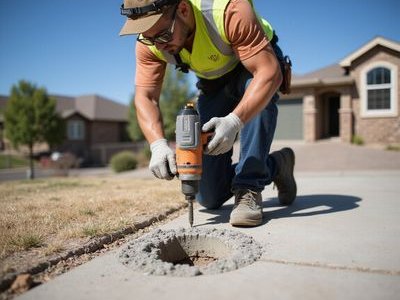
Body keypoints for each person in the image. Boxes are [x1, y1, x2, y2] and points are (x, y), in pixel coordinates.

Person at [119, 0, 297, 226]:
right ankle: (278, 165)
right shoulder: (150, 40)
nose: (157, 45)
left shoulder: (228, 9)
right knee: (209, 196)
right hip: (214, 82)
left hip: (256, 65)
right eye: (149, 38)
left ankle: (249, 187)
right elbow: (146, 97)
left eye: (163, 36)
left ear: (183, 9)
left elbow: (268, 73)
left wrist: (234, 120)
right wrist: (157, 144)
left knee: (257, 96)